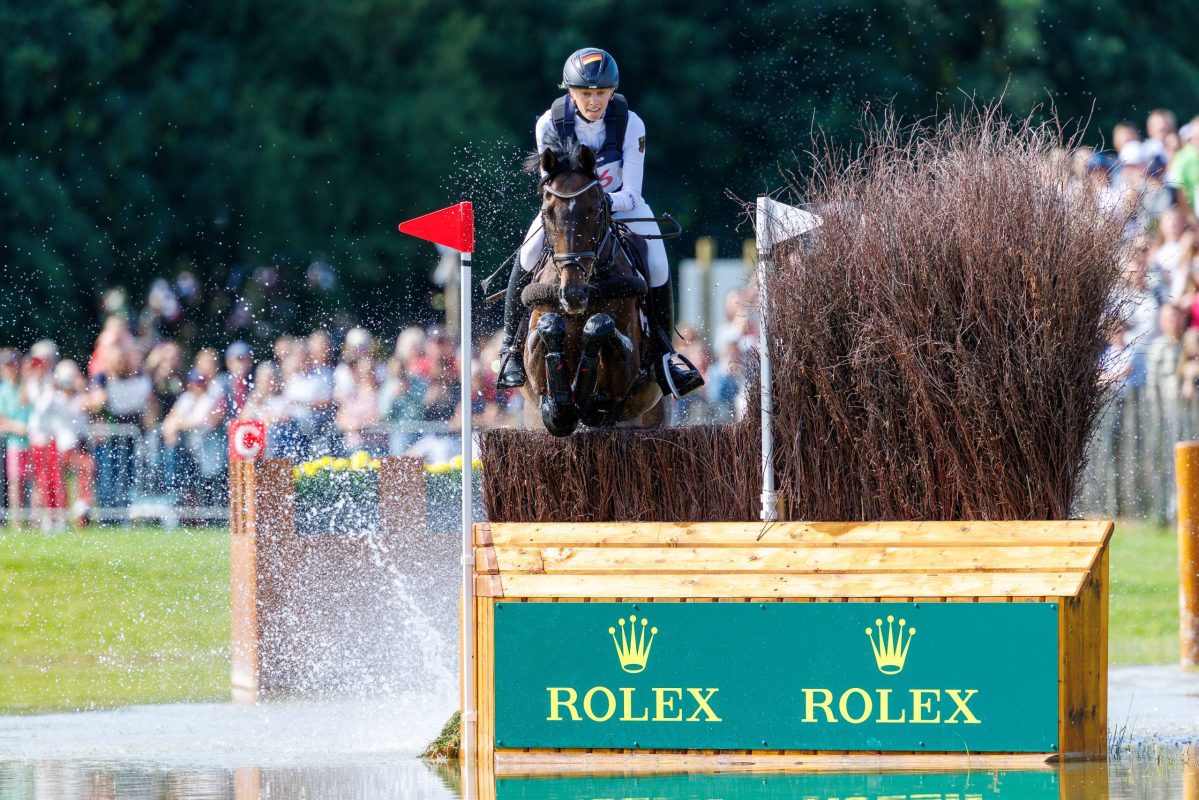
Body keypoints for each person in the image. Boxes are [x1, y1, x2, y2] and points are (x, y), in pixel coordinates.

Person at [495, 47, 703, 400]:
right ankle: (511, 350)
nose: (594, 102)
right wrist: (579, 206)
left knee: (655, 259)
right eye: (586, 94)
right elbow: (550, 186)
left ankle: (664, 355)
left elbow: (633, 192)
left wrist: (601, 204)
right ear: (570, 92)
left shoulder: (630, 122)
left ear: (612, 91)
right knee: (529, 253)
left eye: (601, 93)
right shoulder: (549, 122)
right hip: (567, 212)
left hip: (620, 205)